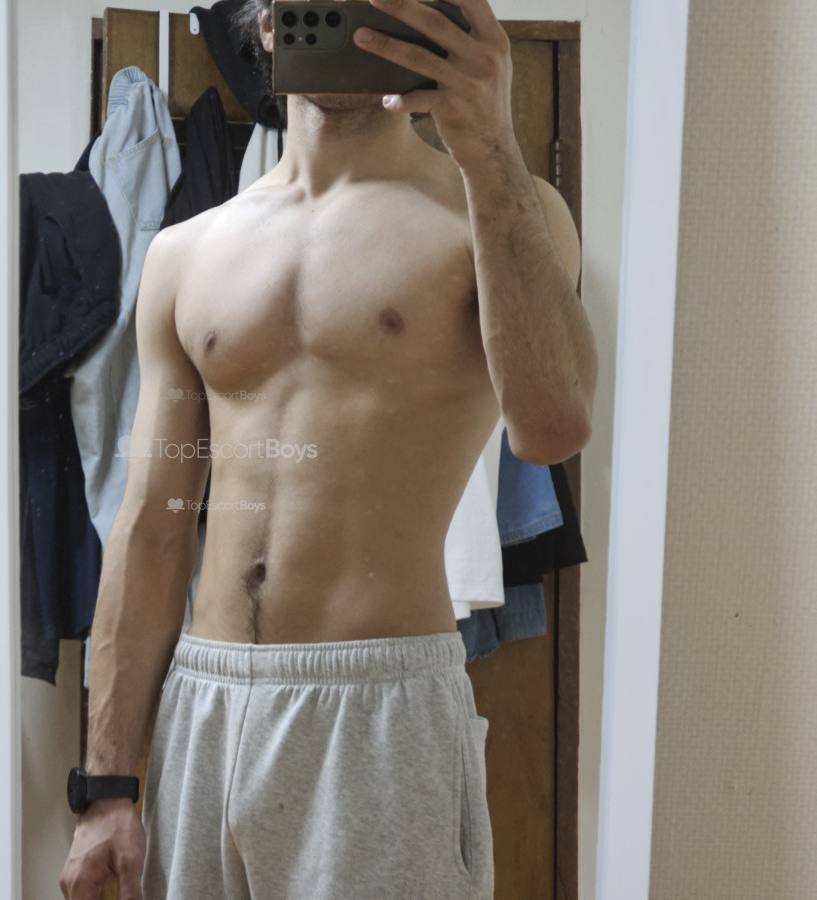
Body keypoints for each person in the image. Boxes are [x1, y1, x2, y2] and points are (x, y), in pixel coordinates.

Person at [60, 0, 597, 897]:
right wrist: (106, 786)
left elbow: (553, 427)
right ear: (266, 22)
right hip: (205, 707)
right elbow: (151, 529)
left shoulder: (499, 213)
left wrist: (492, 148)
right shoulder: (186, 254)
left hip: (379, 708)